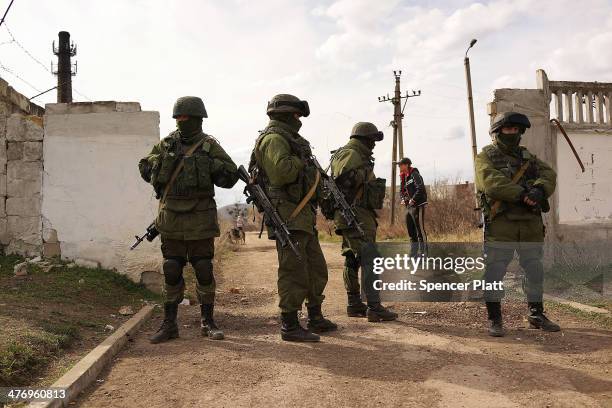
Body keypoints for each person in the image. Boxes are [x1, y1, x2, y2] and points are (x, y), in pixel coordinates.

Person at [138, 96, 239, 343]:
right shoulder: (167, 144)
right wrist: (158, 163)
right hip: (171, 217)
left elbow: (231, 176)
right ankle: (169, 324)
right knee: (171, 269)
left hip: (200, 219)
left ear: (198, 119)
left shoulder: (208, 145)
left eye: (186, 118)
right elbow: (143, 167)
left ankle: (208, 321)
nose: (181, 121)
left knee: (204, 269)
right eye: (178, 118)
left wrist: (210, 165)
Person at [250, 93, 337, 342]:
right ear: (287, 115)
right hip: (288, 213)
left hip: (301, 213)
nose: (299, 120)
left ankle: (315, 317)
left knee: (316, 268)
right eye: (297, 115)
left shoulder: (291, 139)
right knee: (293, 269)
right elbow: (282, 173)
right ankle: (289, 324)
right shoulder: (275, 139)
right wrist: (301, 161)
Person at [475, 111, 560, 337]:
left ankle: (536, 314)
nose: (512, 133)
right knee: (495, 271)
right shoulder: (486, 156)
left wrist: (539, 189)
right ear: (497, 131)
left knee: (535, 269)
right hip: (501, 222)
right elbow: (491, 182)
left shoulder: (528, 157)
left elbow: (549, 173)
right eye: (507, 129)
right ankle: (495, 319)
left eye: (515, 129)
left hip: (530, 222)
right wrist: (523, 194)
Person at [330, 122, 398, 322]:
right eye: (372, 140)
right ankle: (374, 307)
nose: (374, 145)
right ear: (364, 140)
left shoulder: (349, 154)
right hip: (355, 214)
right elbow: (342, 179)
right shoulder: (352, 154)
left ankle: (354, 304)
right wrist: (362, 177)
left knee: (352, 257)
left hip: (353, 214)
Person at [398, 157, 428, 256]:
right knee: (411, 230)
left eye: (401, 164)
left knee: (420, 230)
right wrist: (403, 198)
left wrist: (413, 199)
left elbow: (421, 188)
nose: (399, 166)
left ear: (406, 165)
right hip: (409, 207)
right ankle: (414, 253)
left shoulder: (414, 174)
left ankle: (423, 253)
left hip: (418, 205)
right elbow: (401, 191)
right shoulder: (403, 177)